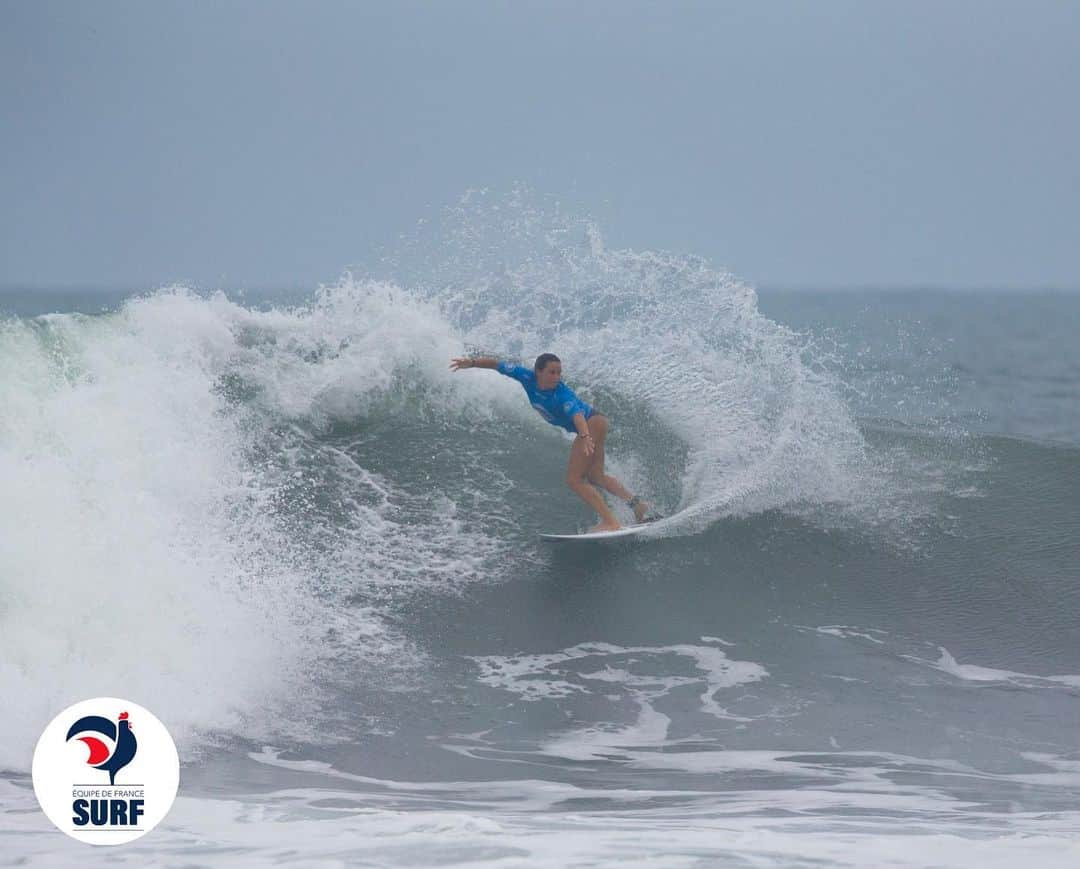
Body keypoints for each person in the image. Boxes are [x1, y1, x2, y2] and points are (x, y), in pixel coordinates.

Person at [450, 352, 650, 532]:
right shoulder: (525, 376)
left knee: (575, 480)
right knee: (596, 477)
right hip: (597, 422)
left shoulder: (562, 395)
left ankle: (610, 522)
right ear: (538, 372)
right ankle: (638, 505)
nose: (556, 377)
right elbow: (497, 364)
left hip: (591, 425)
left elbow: (578, 415)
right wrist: (472, 363)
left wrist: (585, 436)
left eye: (559, 373)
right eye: (551, 372)